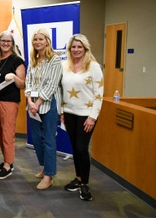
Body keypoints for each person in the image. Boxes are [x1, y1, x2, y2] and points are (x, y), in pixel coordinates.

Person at [61, 34, 104, 201]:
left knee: (81, 148)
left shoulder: (93, 67)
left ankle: (85, 183)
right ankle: (78, 178)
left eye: (79, 47)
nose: (76, 50)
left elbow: (99, 94)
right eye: (73, 47)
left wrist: (93, 117)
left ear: (85, 49)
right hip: (70, 114)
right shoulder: (65, 66)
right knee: (75, 148)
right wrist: (63, 111)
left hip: (87, 115)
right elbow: (62, 90)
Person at [25, 28, 62, 190]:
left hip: (49, 104)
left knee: (49, 140)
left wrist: (38, 102)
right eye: (35, 39)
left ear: (47, 41)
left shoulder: (54, 60)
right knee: (37, 139)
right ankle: (45, 167)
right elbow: (28, 82)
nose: (37, 42)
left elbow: (52, 85)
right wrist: (29, 100)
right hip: (32, 105)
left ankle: (49, 176)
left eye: (41, 39)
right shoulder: (33, 59)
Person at [0, 31, 26, 180]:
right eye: (3, 41)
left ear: (12, 44)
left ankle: (8, 165)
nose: (5, 43)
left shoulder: (16, 60)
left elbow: (23, 84)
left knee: (7, 133)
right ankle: (6, 160)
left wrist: (14, 77)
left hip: (9, 101)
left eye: (8, 41)